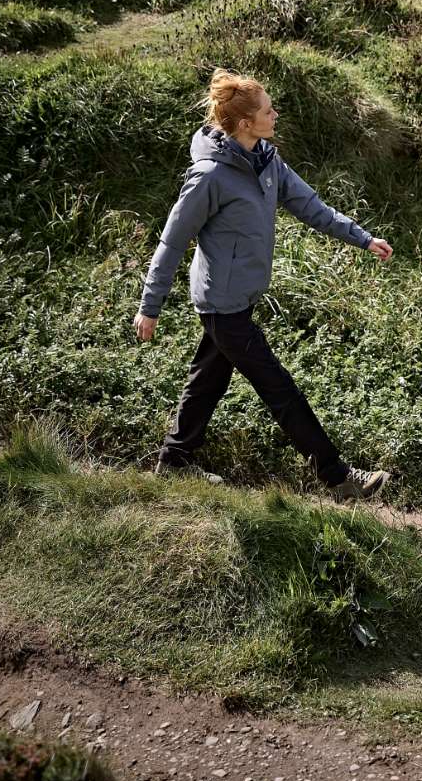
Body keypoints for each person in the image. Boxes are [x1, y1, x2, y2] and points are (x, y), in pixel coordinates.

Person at [135, 68, 395, 501]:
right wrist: (150, 304)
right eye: (267, 110)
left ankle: (174, 462)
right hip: (221, 302)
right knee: (279, 389)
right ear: (243, 124)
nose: (275, 115)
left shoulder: (266, 161)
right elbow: (172, 241)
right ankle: (339, 478)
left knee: (207, 382)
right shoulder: (209, 177)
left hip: (241, 297)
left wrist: (363, 238)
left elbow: (311, 206)